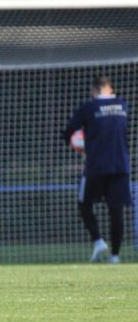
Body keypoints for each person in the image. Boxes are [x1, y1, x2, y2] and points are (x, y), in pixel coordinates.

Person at [62, 75, 131, 263]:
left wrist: (81, 143)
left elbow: (68, 132)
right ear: (110, 89)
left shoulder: (88, 108)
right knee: (116, 210)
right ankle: (115, 256)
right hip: (120, 166)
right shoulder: (122, 105)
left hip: (96, 166)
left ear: (93, 91)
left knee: (84, 204)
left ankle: (98, 240)